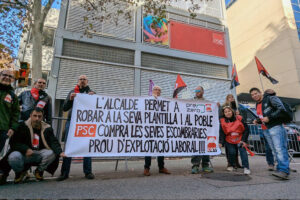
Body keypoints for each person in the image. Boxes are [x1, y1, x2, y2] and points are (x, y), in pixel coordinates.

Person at [0, 108, 65, 185]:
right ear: (30, 116)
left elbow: (53, 141)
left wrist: (60, 152)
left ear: (42, 117)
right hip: (24, 154)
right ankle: (20, 172)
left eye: (39, 116)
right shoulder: (22, 126)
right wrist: (25, 149)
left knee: (52, 153)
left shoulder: (47, 128)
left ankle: (39, 171)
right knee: (13, 156)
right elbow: (14, 143)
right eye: (35, 116)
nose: (37, 118)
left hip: (38, 154)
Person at [57, 75, 95, 181]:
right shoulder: (72, 92)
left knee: (87, 145)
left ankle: (88, 172)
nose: (82, 81)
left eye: (84, 79)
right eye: (81, 79)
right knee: (69, 145)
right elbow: (64, 108)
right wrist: (70, 100)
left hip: (86, 123)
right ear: (78, 81)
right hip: (72, 122)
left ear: (87, 81)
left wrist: (93, 98)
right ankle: (64, 173)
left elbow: (97, 107)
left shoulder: (92, 93)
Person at [250, 87, 290, 180]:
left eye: (256, 93)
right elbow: (263, 117)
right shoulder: (257, 104)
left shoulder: (270, 98)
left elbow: (281, 109)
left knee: (279, 149)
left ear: (260, 93)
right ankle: (281, 169)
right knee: (275, 150)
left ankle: (284, 171)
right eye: (252, 95)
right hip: (266, 129)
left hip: (275, 127)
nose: (254, 95)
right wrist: (257, 121)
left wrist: (270, 117)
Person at [143, 85, 171, 176]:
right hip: (150, 128)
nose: (157, 91)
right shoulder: (147, 99)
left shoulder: (163, 100)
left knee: (160, 147)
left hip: (160, 128)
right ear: (152, 90)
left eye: (159, 90)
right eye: (156, 89)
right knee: (149, 148)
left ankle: (161, 167)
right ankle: (146, 168)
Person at [219, 106, 251, 175]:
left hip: (240, 139)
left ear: (232, 111)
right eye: (226, 112)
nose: (228, 113)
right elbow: (222, 133)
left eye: (229, 111)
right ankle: (232, 165)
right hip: (229, 139)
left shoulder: (239, 118)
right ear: (224, 114)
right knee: (232, 152)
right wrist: (221, 142)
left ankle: (246, 167)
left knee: (243, 152)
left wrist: (244, 140)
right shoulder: (222, 121)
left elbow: (246, 129)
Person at [191, 86, 214, 174]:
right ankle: (195, 165)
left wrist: (217, 105)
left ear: (203, 92)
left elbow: (213, 111)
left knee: (206, 146)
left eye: (199, 90)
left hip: (205, 128)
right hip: (195, 128)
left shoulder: (207, 102)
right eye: (196, 90)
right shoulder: (190, 101)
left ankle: (205, 165)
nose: (197, 92)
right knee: (196, 146)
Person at [0, 69, 20, 153]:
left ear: (12, 80)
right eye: (4, 75)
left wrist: (12, 128)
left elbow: (16, 114)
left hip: (2, 130)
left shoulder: (13, 96)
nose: (7, 77)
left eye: (10, 76)